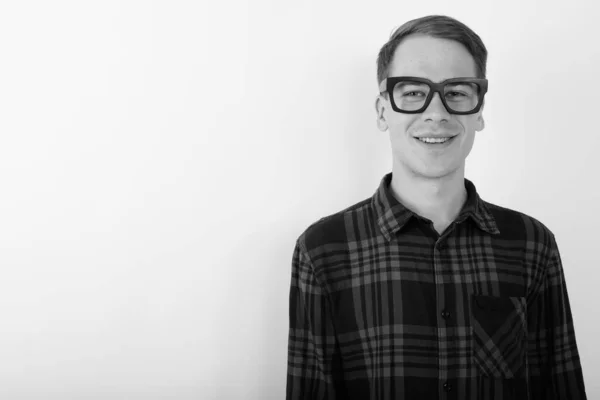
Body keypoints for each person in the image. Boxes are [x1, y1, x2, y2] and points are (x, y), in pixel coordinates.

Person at [286, 14, 587, 400]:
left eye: (457, 92)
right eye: (413, 93)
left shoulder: (532, 245)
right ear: (382, 111)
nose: (437, 113)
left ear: (478, 110)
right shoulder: (322, 251)